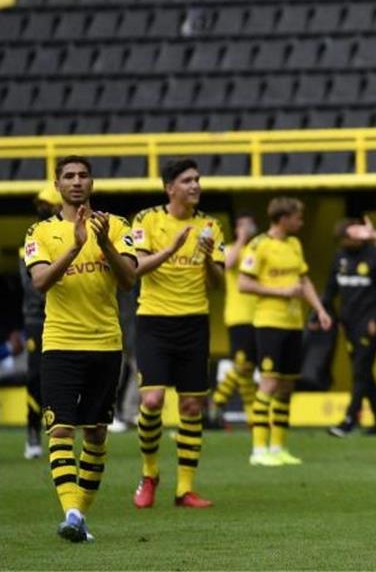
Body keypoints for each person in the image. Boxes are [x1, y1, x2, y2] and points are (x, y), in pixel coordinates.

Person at [23, 156, 137, 542]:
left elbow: (128, 279)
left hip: (105, 342)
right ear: (57, 185)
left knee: (97, 434)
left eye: (82, 175)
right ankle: (71, 511)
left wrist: (102, 242)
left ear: (92, 182)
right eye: (68, 176)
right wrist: (74, 249)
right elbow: (40, 282)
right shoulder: (40, 232)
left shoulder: (117, 227)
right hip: (60, 343)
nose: (76, 182)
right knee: (60, 429)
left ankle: (78, 517)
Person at [130, 158, 226, 509]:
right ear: (170, 187)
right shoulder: (147, 219)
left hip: (194, 322)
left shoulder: (211, 226)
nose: (195, 186)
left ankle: (184, 489)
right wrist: (170, 250)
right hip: (155, 321)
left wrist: (205, 260)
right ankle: (150, 472)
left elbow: (218, 283)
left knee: (191, 405)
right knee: (152, 401)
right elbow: (136, 268)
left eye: (197, 180)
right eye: (187, 181)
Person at [239, 197, 333, 466]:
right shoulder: (259, 245)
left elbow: (303, 281)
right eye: (297, 217)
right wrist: (279, 291)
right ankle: (258, 450)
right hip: (269, 323)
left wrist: (320, 310)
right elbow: (244, 284)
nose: (301, 222)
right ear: (283, 218)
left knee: (287, 386)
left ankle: (278, 446)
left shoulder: (294, 244)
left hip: (294, 323)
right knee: (268, 382)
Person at [324, 218, 376, 437]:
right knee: (364, 373)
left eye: (348, 238)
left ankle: (350, 419)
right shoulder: (340, 257)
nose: (345, 243)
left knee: (360, 371)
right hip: (347, 324)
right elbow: (330, 289)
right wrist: (323, 313)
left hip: (368, 323)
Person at [19, 184, 63, 458]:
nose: (42, 208)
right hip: (38, 319)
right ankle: (32, 430)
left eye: (46, 204)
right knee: (35, 376)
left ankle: (60, 429)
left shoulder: (69, 239)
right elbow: (34, 287)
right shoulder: (31, 242)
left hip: (67, 318)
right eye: (41, 204)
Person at [210, 211, 260, 426]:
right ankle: (217, 402)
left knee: (248, 367)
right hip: (238, 316)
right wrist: (240, 239)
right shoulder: (231, 248)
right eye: (242, 225)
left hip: (260, 316)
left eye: (249, 225)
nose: (246, 229)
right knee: (242, 363)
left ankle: (253, 417)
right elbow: (226, 265)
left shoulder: (260, 248)